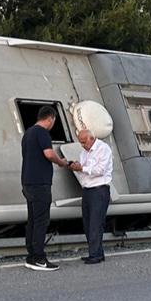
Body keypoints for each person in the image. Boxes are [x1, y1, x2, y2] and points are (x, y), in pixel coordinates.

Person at [21, 105, 74, 271]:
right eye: (53, 121)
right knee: (42, 221)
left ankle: (31, 256)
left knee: (33, 221)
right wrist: (62, 162)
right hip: (40, 183)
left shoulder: (28, 133)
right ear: (50, 118)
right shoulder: (42, 132)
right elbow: (49, 154)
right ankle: (39, 258)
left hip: (28, 182)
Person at [71, 128, 113, 264]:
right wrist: (77, 166)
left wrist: (81, 168)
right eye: (81, 142)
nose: (83, 145)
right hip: (88, 189)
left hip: (99, 189)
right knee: (88, 223)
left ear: (91, 138)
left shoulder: (103, 149)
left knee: (95, 223)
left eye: (84, 142)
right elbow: (85, 171)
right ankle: (97, 252)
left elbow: (100, 170)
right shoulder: (84, 152)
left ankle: (94, 254)